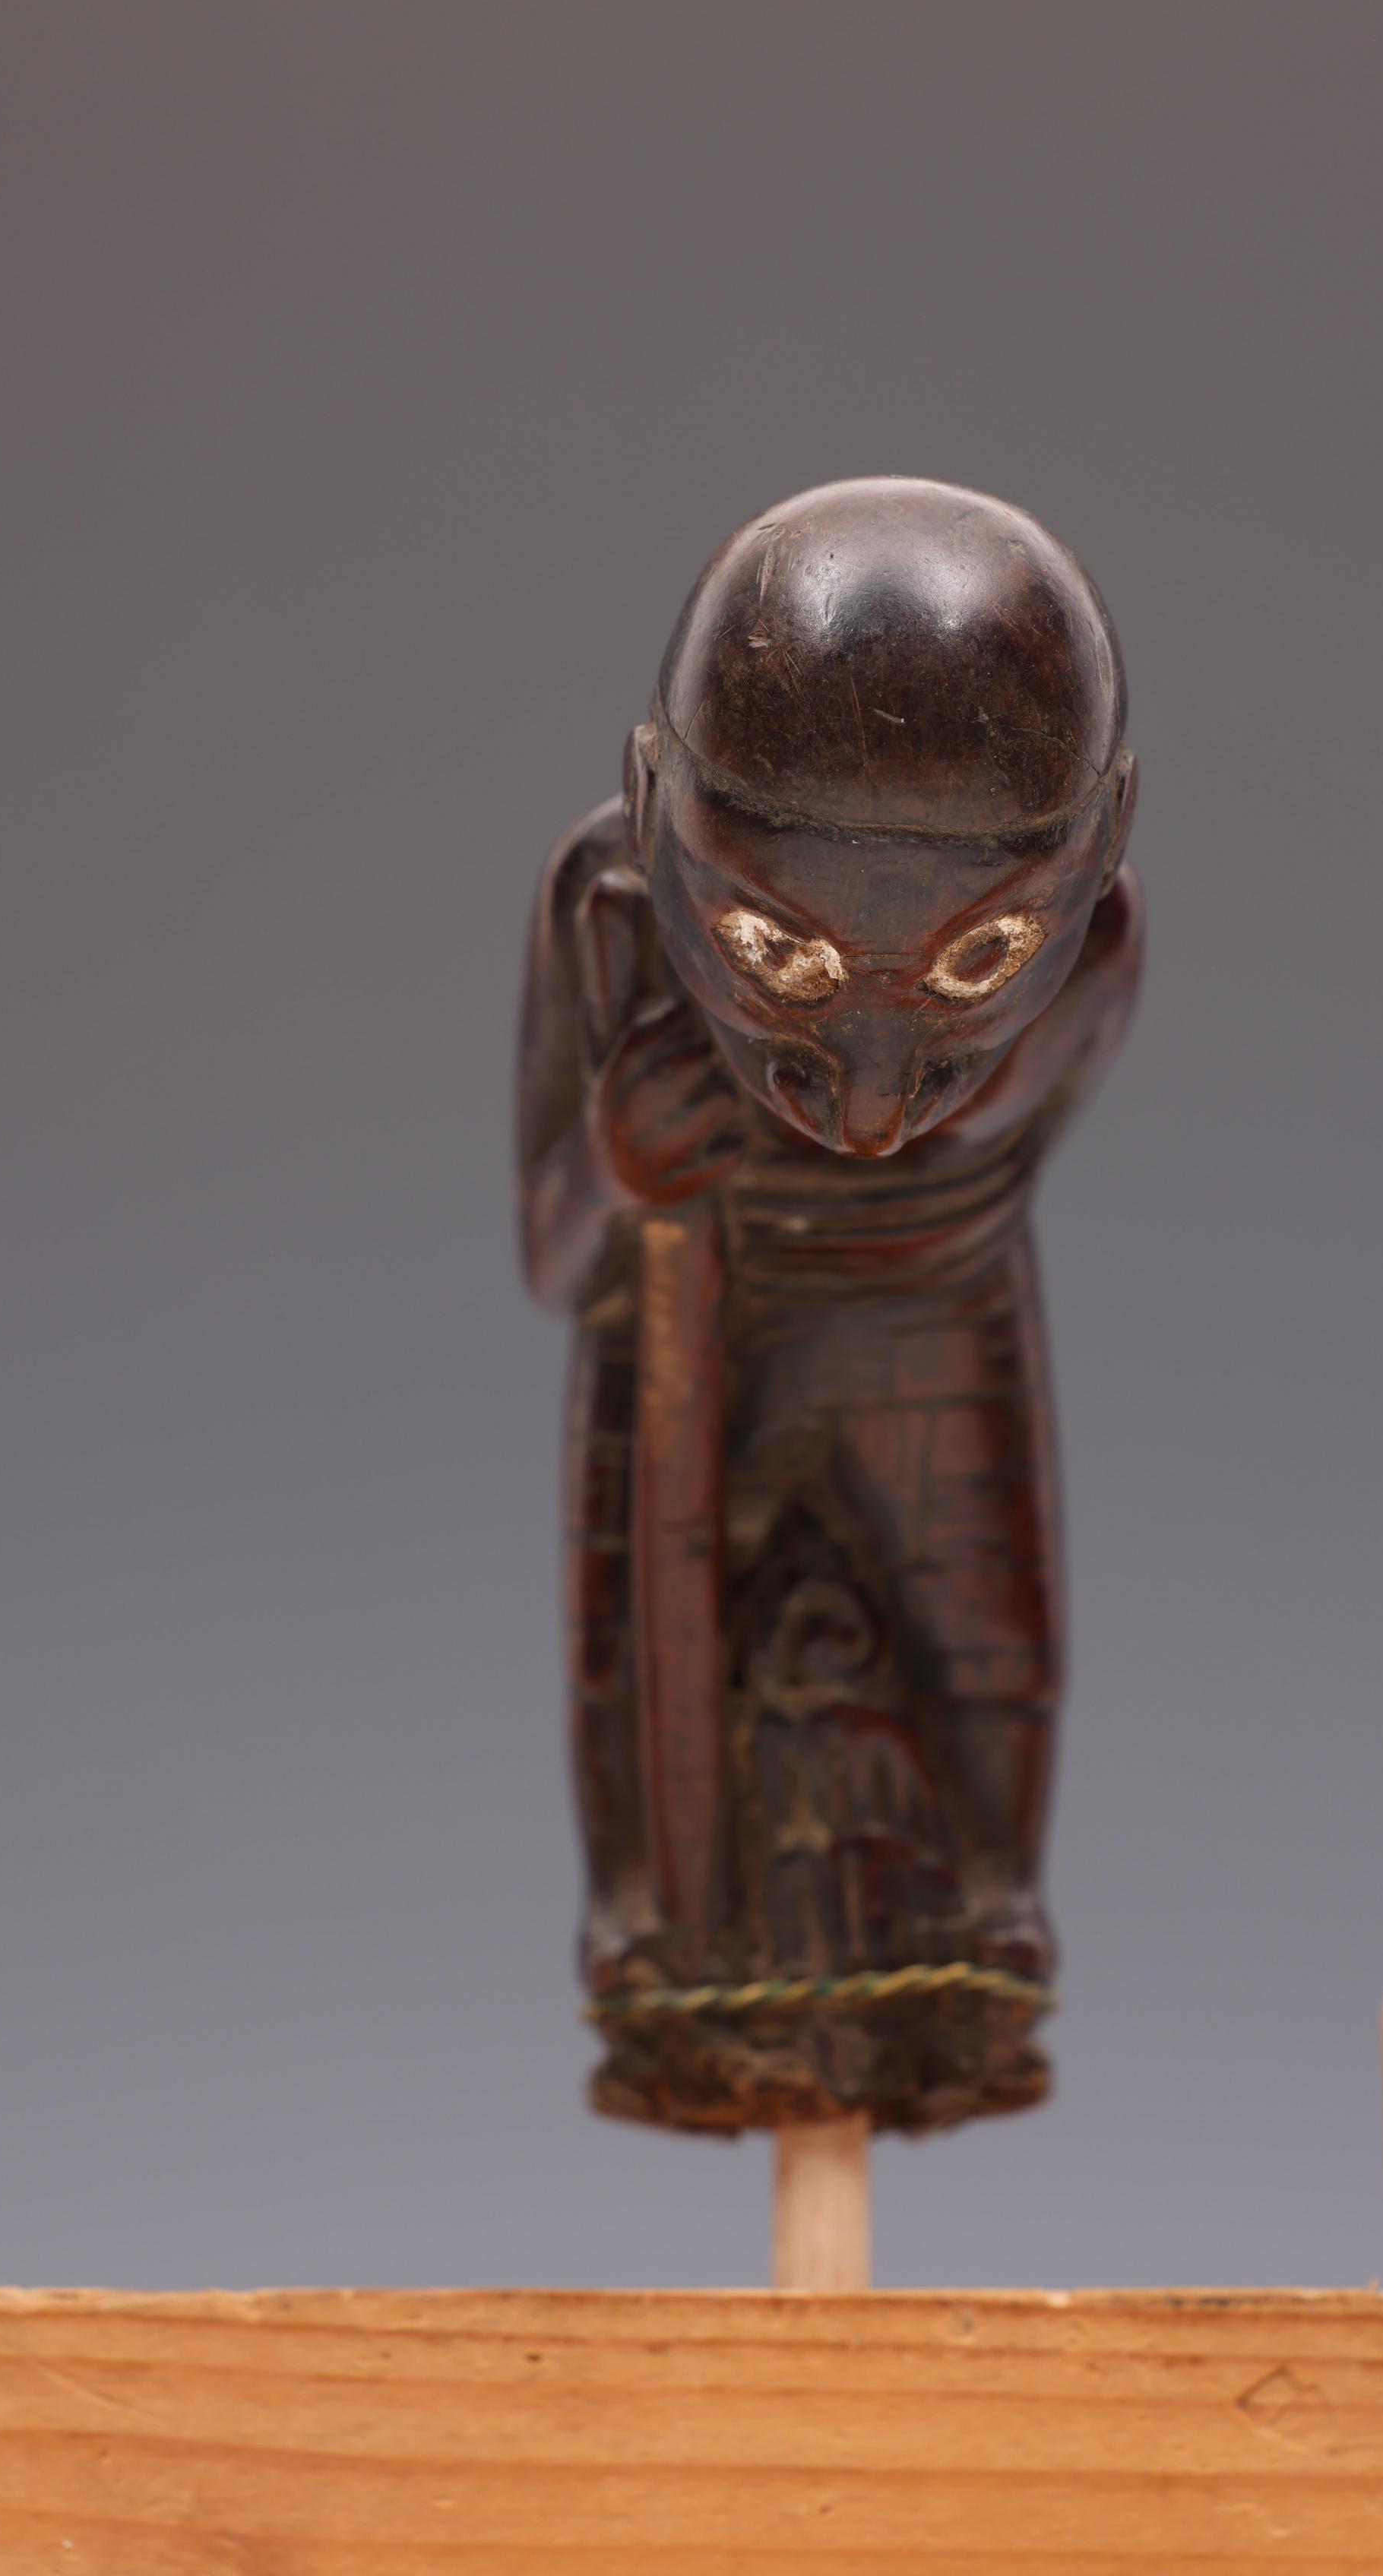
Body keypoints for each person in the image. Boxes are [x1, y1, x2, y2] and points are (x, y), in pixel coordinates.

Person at [517, 476, 1141, 2131]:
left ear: (1103, 852)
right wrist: (614, 1163)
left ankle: (962, 1986)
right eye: (778, 958)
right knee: (655, 1748)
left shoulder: (1100, 959)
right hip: (695, 1350)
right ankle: (681, 1977)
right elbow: (553, 1257)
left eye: (973, 966)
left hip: (939, 1330)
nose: (866, 1111)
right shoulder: (607, 915)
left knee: (980, 1687)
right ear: (650, 806)